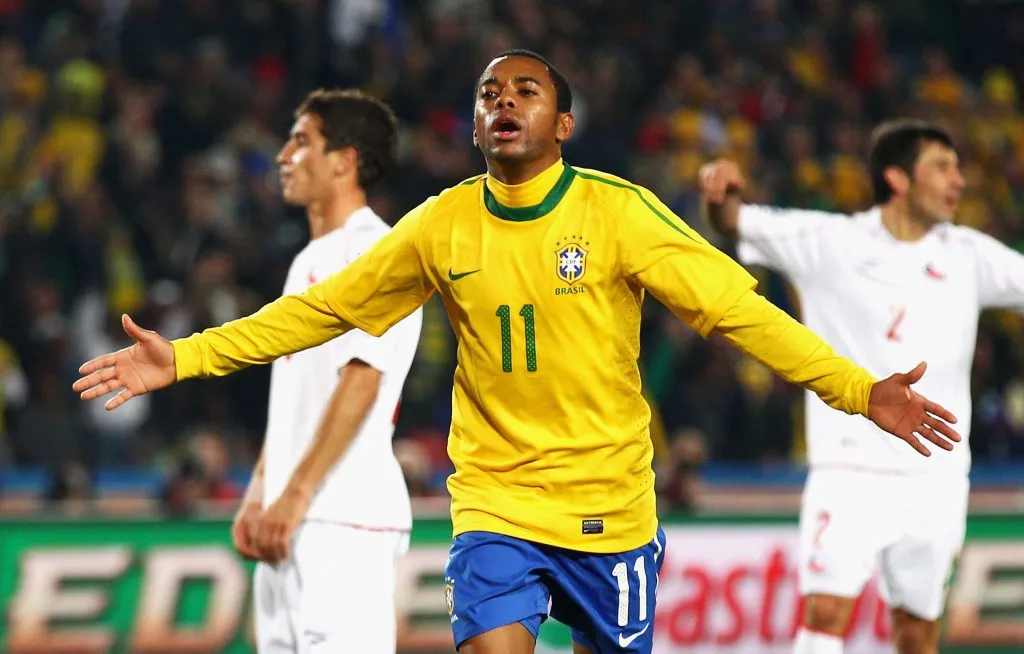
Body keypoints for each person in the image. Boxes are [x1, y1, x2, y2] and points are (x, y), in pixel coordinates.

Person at [75, 52, 961, 654]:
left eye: (526, 91)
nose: (503, 102)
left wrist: (856, 390)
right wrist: (184, 357)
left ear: (563, 123)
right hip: (495, 503)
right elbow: (320, 314)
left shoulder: (620, 213)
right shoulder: (441, 225)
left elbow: (740, 313)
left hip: (609, 508)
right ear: (473, 124)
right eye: (489, 94)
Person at [698, 119, 1024, 654]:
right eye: (942, 167)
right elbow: (732, 221)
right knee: (826, 613)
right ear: (897, 177)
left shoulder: (967, 253)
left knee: (918, 633)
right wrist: (720, 191)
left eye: (958, 168)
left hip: (937, 474)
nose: (959, 181)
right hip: (849, 468)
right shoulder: (831, 240)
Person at [241, 89, 424, 653]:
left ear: (344, 161)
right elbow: (295, 397)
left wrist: (294, 495)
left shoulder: (379, 251)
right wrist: (259, 492)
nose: (283, 155)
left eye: (301, 141)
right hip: (292, 516)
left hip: (344, 516)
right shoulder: (307, 261)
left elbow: (362, 381)